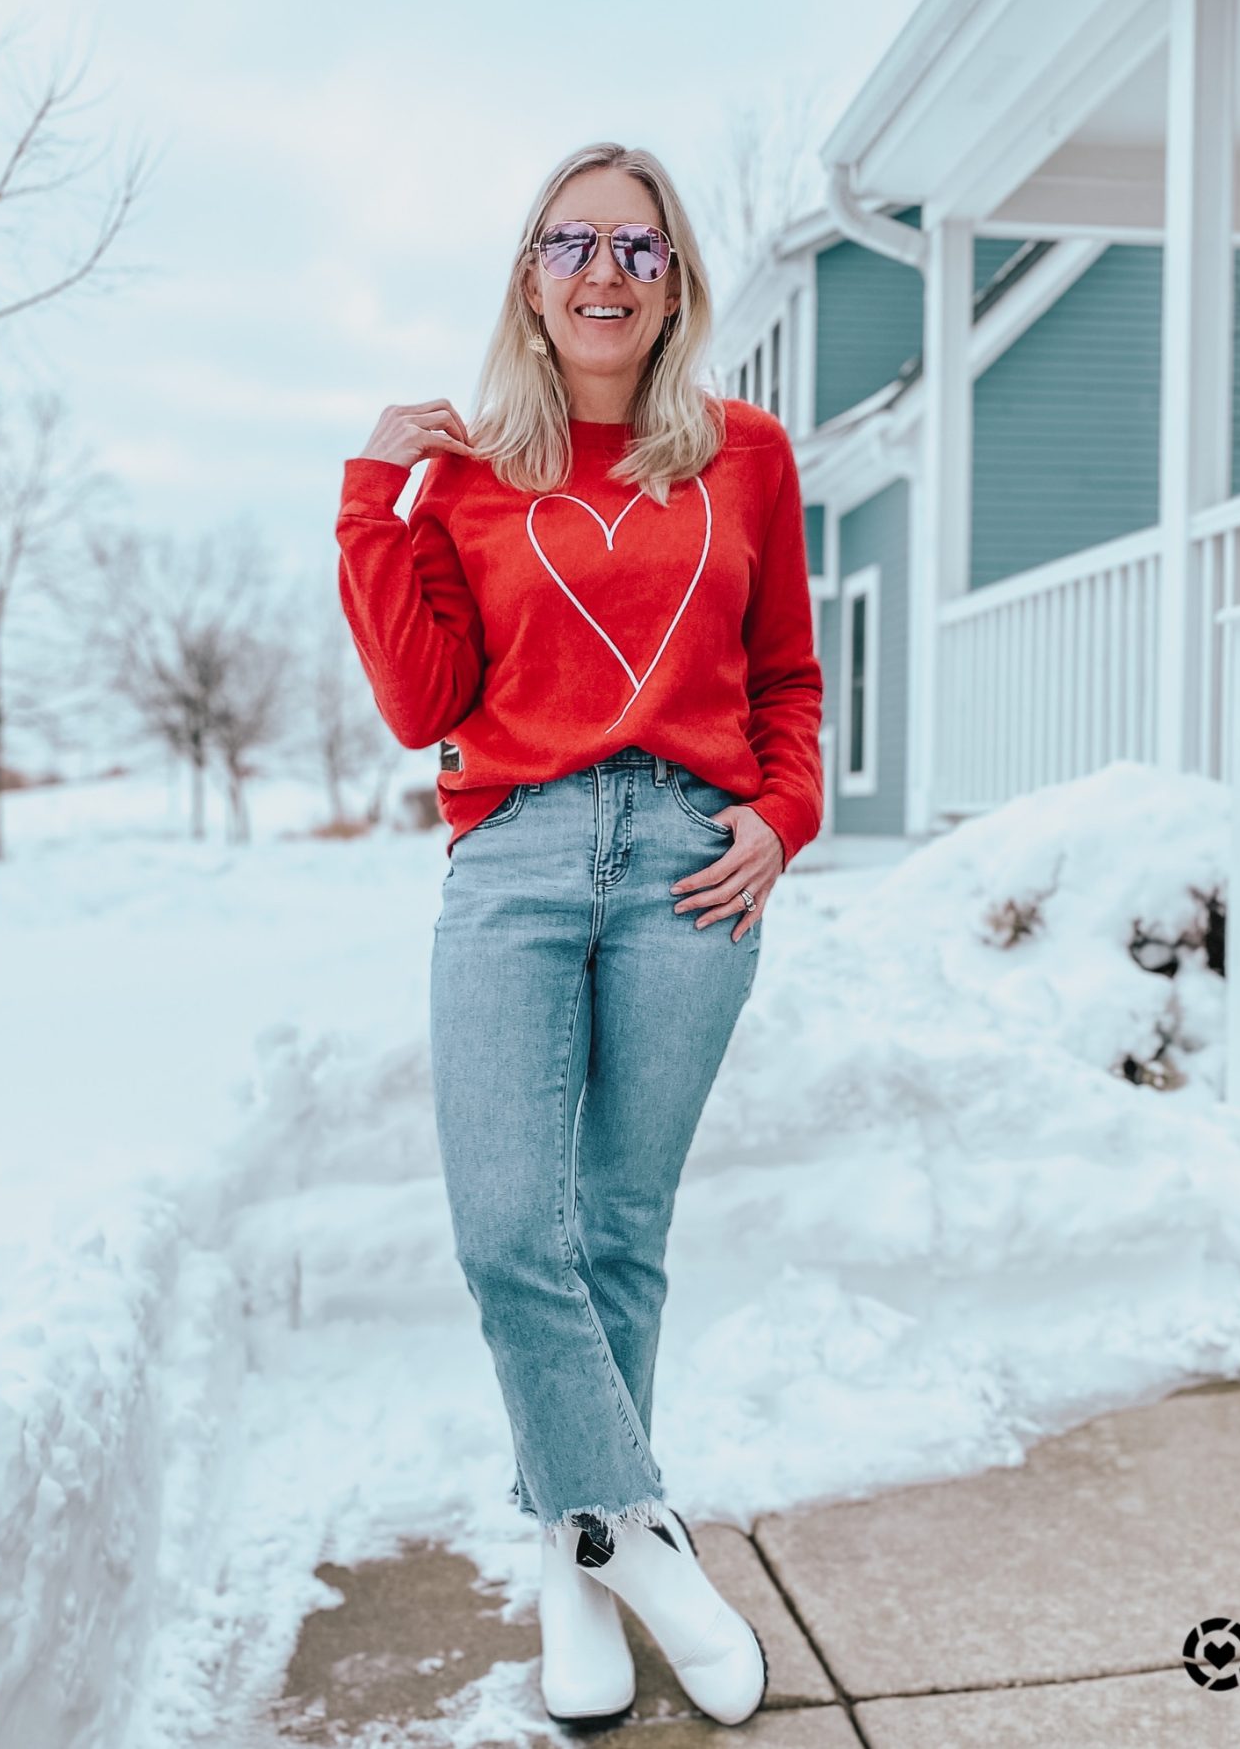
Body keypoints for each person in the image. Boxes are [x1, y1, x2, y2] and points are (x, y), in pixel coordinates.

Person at [335, 141, 823, 1730]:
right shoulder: (472, 470)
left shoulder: (743, 452)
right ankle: (642, 1538)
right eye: (571, 243)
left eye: (638, 245)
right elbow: (421, 701)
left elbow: (789, 678)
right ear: (530, 280)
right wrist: (372, 498)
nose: (604, 270)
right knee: (504, 1233)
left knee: (618, 1229)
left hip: (693, 861)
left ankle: (571, 1567)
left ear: (672, 279)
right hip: (519, 855)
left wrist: (782, 816)